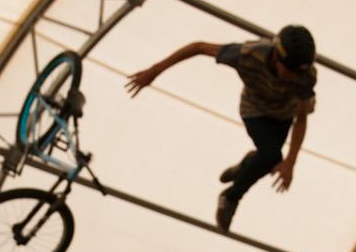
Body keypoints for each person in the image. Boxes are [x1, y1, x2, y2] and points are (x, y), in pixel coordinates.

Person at [126, 24, 317, 231]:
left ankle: (247, 165)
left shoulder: (305, 77)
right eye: (289, 72)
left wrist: (291, 162)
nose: (292, 79)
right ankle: (230, 197)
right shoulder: (248, 54)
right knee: (272, 157)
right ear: (275, 58)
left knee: (271, 161)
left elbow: (301, 119)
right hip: (255, 111)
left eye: (297, 75)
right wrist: (154, 71)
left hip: (284, 116)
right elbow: (198, 47)